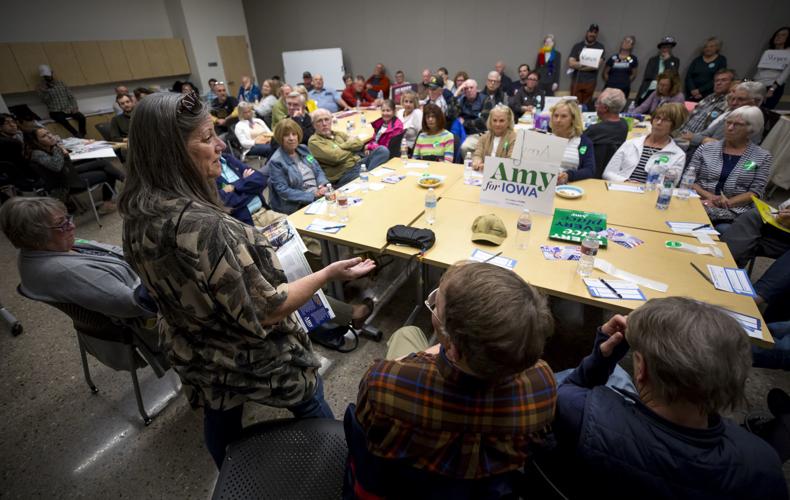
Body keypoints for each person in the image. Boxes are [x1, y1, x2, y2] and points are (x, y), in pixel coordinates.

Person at [117, 91, 377, 468]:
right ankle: (334, 466)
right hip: (254, 357)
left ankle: (229, 475)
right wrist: (328, 273)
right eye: (207, 138)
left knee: (220, 415)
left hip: (198, 354)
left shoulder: (136, 217)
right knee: (310, 397)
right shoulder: (209, 229)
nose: (220, 145)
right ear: (172, 152)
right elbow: (269, 309)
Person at [346, 262, 557, 497]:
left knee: (407, 334)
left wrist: (418, 358)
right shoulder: (542, 384)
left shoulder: (384, 383)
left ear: (454, 349)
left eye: (436, 307)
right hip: (482, 489)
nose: (434, 306)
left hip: (408, 486)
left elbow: (368, 439)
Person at [546, 297, 787, 498]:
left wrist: (602, 359)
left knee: (614, 374)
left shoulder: (577, 410)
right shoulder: (763, 465)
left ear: (641, 371)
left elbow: (568, 391)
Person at [690, 105, 772, 230]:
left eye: (738, 125)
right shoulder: (706, 149)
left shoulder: (761, 157)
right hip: (698, 201)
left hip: (735, 210)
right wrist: (709, 196)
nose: (730, 128)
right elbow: (688, 179)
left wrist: (727, 203)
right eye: (728, 122)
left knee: (723, 229)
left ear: (751, 129)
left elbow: (756, 192)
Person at [25, 126, 124, 214]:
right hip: (66, 184)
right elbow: (56, 166)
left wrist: (58, 148)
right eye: (44, 136)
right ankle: (107, 203)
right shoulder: (37, 154)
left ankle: (126, 180)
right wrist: (57, 147)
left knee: (102, 163)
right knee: (107, 173)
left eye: (48, 133)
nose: (50, 136)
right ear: (36, 141)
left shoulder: (47, 148)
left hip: (68, 173)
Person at [603, 103, 688, 183]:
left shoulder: (678, 155)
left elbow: (669, 184)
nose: (658, 123)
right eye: (657, 118)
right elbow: (608, 173)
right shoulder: (631, 143)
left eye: (665, 120)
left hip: (651, 194)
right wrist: (626, 182)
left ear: (674, 126)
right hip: (621, 188)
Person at [308, 108, 389, 187]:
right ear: (314, 125)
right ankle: (368, 176)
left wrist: (342, 147)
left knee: (382, 150)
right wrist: (351, 148)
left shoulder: (337, 133)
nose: (324, 123)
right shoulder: (314, 141)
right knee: (362, 177)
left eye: (326, 119)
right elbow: (336, 157)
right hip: (343, 174)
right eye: (319, 121)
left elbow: (359, 143)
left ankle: (368, 175)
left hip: (359, 163)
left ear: (331, 121)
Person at [268, 118, 329, 215]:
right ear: (280, 138)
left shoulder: (303, 149)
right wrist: (312, 195)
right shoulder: (276, 161)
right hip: (299, 202)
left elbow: (317, 170)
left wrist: (323, 185)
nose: (291, 138)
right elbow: (284, 191)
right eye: (286, 135)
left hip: (319, 193)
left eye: (294, 134)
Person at [684, 81, 766, 150]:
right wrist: (705, 140)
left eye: (741, 99)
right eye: (734, 98)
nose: (734, 103)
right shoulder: (732, 113)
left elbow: (722, 148)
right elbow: (706, 135)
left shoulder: (754, 122)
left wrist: (704, 140)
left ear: (756, 101)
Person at [216, 149, 282, 227]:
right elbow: (227, 203)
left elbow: (261, 180)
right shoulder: (205, 174)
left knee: (293, 226)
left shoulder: (227, 158)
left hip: (264, 211)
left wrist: (234, 186)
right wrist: (248, 185)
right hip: (244, 223)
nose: (221, 145)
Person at [583, 88, 628, 177]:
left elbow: (578, 145)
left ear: (605, 108)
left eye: (598, 103)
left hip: (591, 173)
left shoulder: (595, 130)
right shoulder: (624, 125)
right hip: (611, 172)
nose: (595, 106)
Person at [549, 99, 595, 184]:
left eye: (564, 116)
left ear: (573, 119)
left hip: (569, 188)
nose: (558, 120)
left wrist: (569, 176)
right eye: (555, 116)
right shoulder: (546, 138)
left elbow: (590, 171)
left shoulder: (584, 143)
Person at [678, 68, 735, 135]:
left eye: (724, 80)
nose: (718, 83)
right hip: (681, 133)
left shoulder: (731, 103)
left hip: (696, 141)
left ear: (732, 83)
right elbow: (690, 116)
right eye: (716, 80)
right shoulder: (709, 97)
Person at [36, 65, 85, 138]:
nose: (48, 78)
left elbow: (71, 96)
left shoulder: (61, 83)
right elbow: (44, 101)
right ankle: (76, 134)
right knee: (62, 120)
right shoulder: (41, 87)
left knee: (81, 117)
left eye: (49, 76)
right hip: (55, 111)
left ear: (52, 73)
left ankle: (82, 133)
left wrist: (75, 107)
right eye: (46, 76)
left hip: (68, 108)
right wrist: (46, 91)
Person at [568, 24, 605, 108]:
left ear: (597, 34)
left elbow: (596, 65)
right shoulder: (577, 46)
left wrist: (579, 64)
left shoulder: (600, 47)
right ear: (587, 32)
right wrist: (590, 63)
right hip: (577, 80)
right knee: (574, 105)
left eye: (595, 32)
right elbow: (571, 63)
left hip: (590, 81)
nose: (592, 34)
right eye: (590, 31)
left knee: (586, 106)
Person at [636, 36, 681, 106]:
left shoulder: (675, 61)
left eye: (668, 47)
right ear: (660, 48)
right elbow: (648, 75)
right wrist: (659, 80)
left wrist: (667, 61)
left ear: (671, 48)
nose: (665, 49)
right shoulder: (653, 60)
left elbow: (673, 76)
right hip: (650, 88)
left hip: (666, 90)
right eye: (663, 47)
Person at [753, 26, 790, 109]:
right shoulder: (768, 52)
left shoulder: (788, 53)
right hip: (758, 85)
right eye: (777, 35)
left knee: (762, 111)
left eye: (783, 35)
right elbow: (759, 70)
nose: (778, 37)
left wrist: (772, 89)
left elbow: (784, 75)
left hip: (772, 86)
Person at [471, 105, 517, 171]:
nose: (497, 124)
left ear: (508, 122)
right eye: (494, 120)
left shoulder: (514, 138)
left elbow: (510, 162)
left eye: (501, 121)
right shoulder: (484, 137)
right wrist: (477, 161)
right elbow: (477, 154)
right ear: (490, 121)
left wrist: (489, 167)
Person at [685, 37, 728, 101]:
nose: (708, 49)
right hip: (692, 94)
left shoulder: (721, 60)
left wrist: (700, 90)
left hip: (708, 94)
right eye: (706, 47)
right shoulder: (697, 60)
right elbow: (689, 77)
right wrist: (693, 90)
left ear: (717, 48)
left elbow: (719, 78)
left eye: (711, 46)